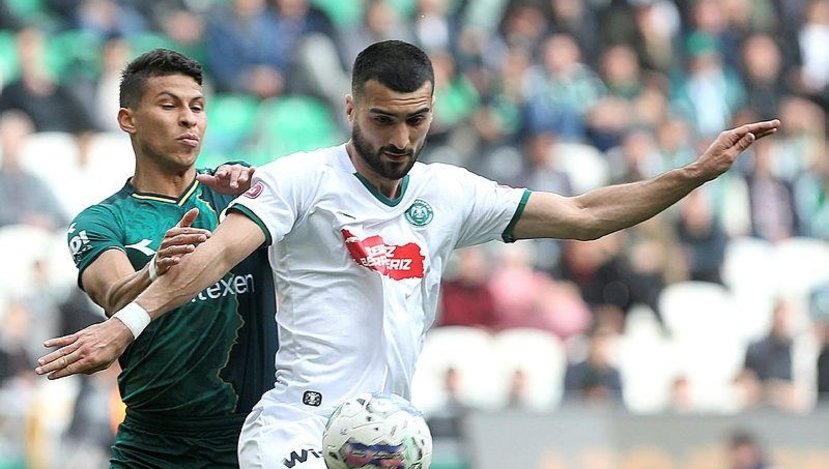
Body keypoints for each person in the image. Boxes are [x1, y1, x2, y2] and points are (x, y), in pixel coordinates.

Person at [36, 40, 780, 468]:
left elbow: (583, 216)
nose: (399, 138)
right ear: (351, 108)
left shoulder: (449, 193)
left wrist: (690, 175)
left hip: (386, 433)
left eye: (415, 120)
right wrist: (125, 325)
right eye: (383, 120)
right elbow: (219, 252)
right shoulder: (300, 180)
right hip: (293, 428)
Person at [46, 49, 279, 467]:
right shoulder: (102, 220)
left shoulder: (240, 194)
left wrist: (262, 188)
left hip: (253, 441)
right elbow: (114, 298)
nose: (188, 119)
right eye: (169, 105)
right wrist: (155, 268)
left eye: (197, 107)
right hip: (153, 447)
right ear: (128, 119)